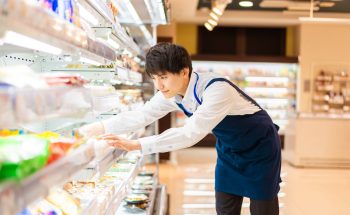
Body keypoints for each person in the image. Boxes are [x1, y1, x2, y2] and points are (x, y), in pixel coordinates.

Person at [79, 42, 281, 215]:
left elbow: (189, 134)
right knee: (225, 208)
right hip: (229, 149)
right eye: (155, 78)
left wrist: (137, 144)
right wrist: (97, 128)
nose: (159, 85)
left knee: (263, 207)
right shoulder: (171, 93)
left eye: (164, 77)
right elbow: (142, 115)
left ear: (185, 72)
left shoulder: (217, 89)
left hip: (260, 148)